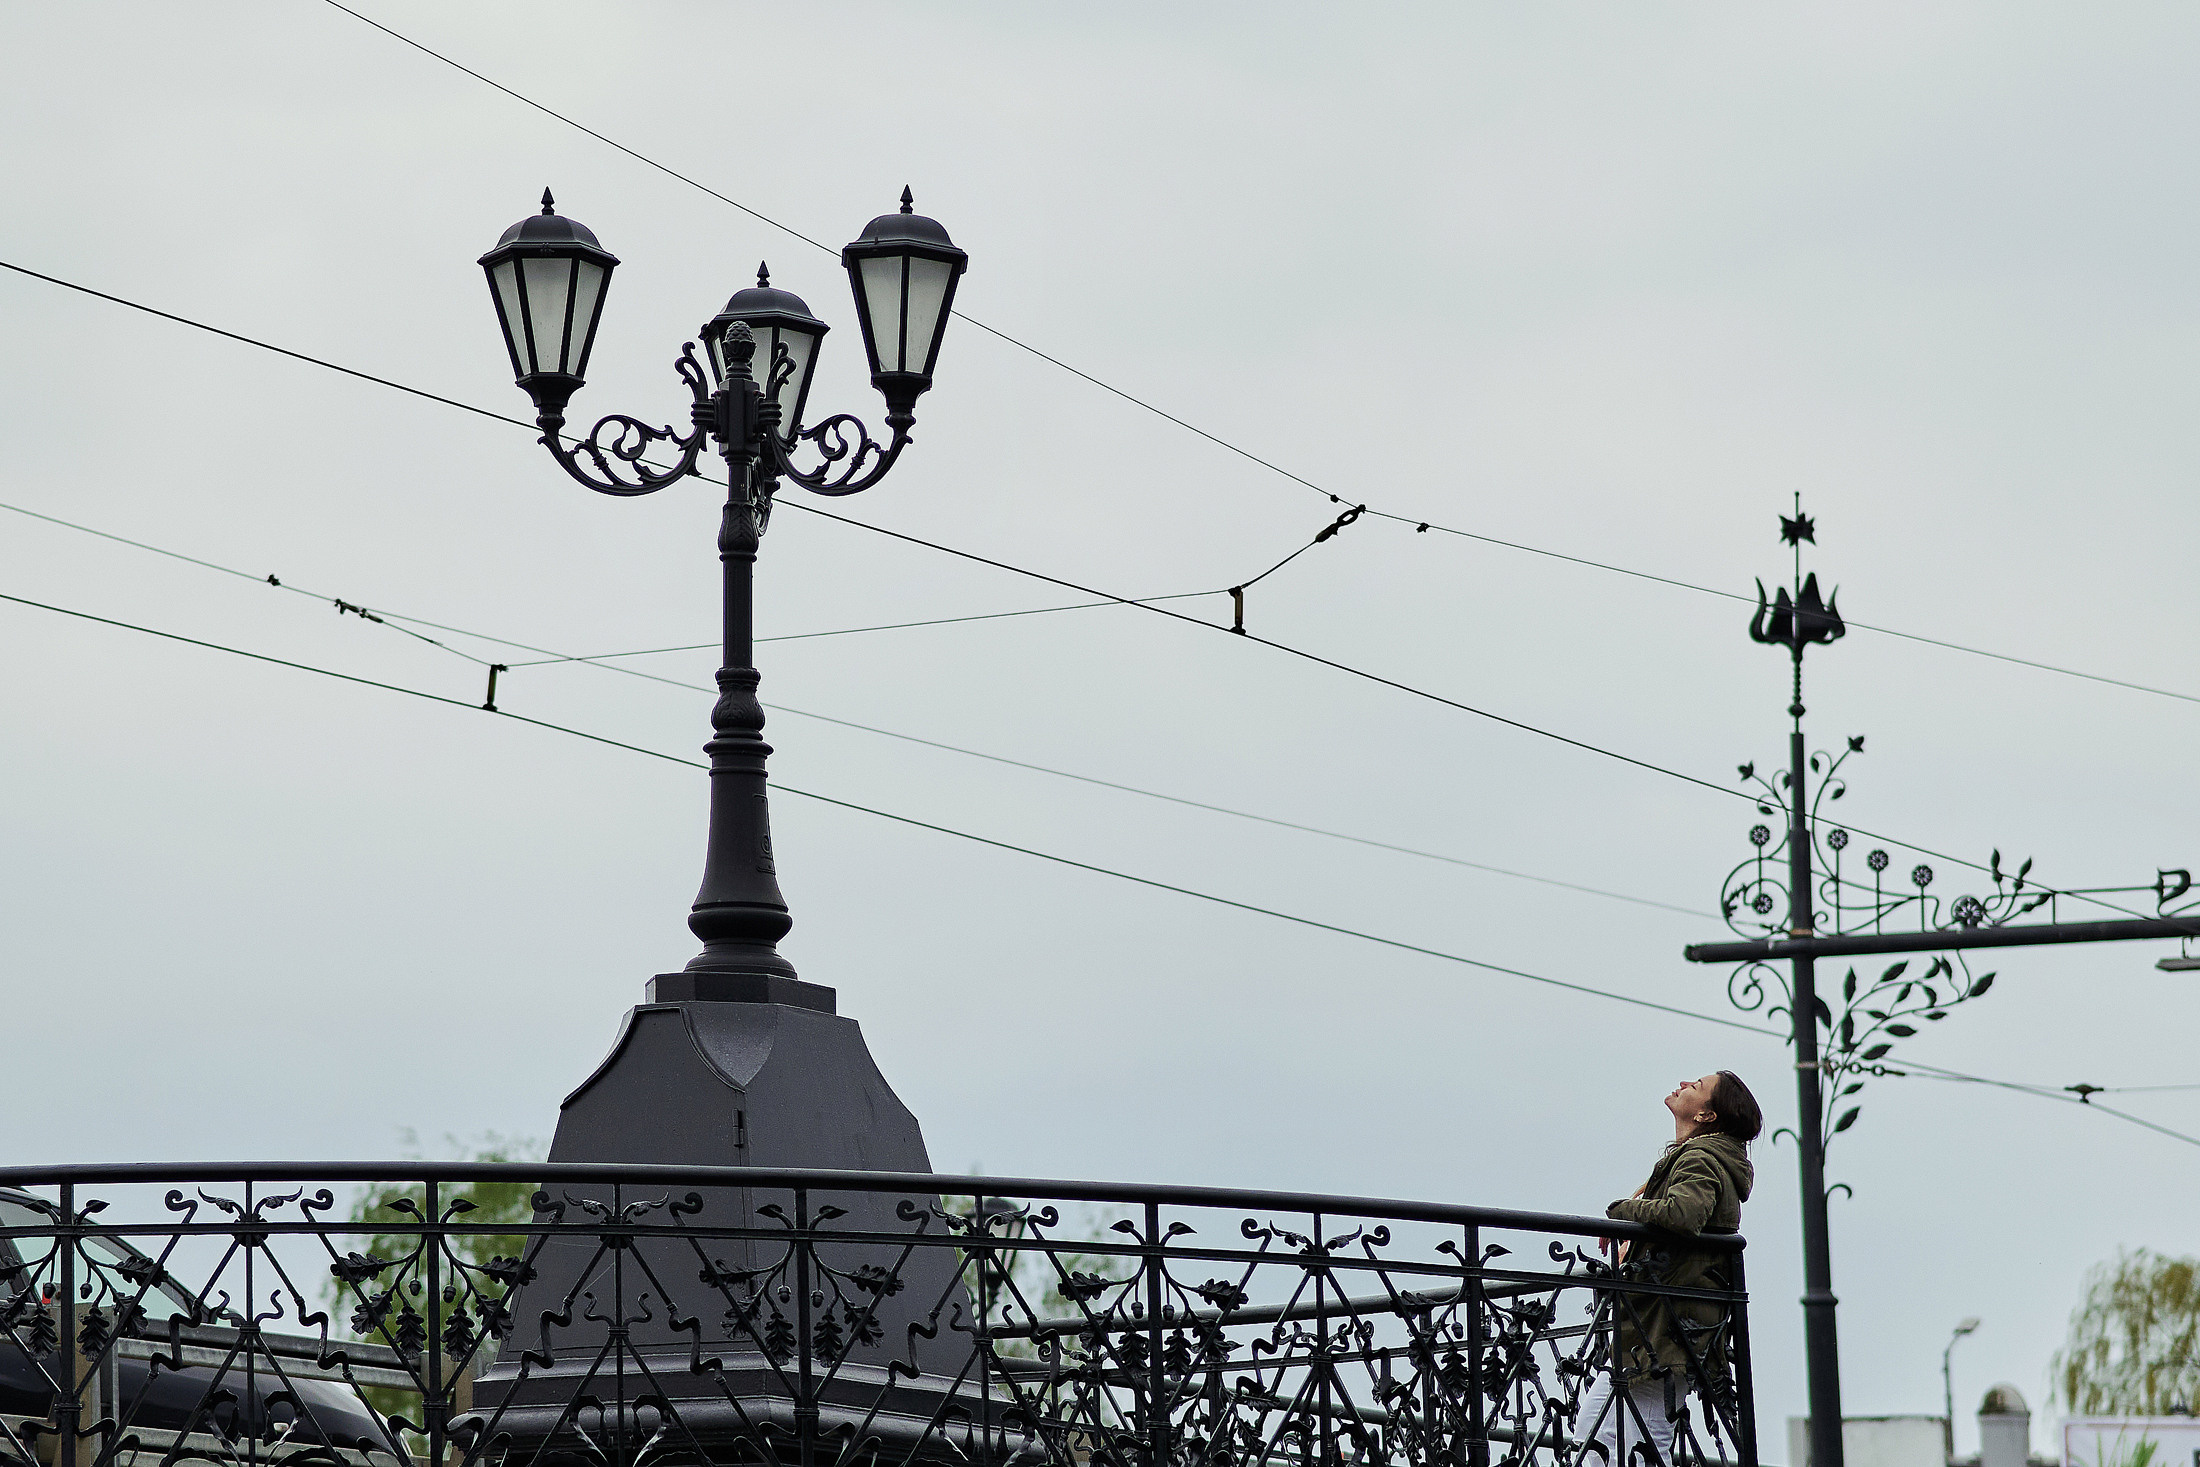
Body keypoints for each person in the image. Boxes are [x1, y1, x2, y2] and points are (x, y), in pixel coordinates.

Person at [1577, 1071, 1760, 1467]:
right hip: (1668, 1323)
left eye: (1696, 1086)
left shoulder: (1699, 1157)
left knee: (1636, 1437)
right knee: (1598, 1432)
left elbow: (1684, 1214)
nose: (1683, 1083)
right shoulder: (1703, 1156)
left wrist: (1620, 1212)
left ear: (1707, 1115)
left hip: (1669, 1328)